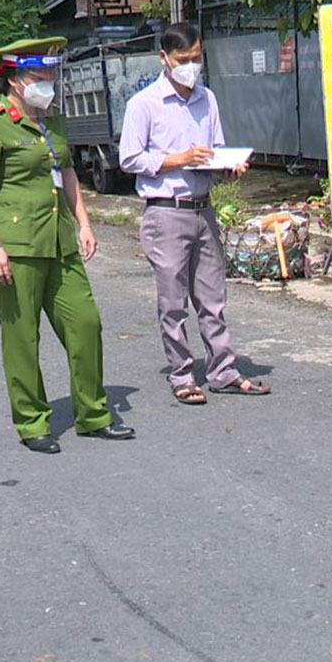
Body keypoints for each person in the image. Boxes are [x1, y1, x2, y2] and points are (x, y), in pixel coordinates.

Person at [0, 36, 134, 453]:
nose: (48, 84)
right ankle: (31, 421)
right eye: (39, 77)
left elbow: (69, 173)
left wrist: (84, 223)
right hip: (17, 246)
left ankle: (93, 414)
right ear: (15, 80)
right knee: (22, 337)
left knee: (85, 324)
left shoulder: (52, 120)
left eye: (50, 76)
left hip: (60, 243)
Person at [119, 22, 271, 405]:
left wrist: (227, 165)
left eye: (197, 58)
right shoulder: (144, 104)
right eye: (183, 60)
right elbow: (130, 159)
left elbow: (215, 150)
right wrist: (178, 160)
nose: (191, 66)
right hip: (166, 212)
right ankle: (183, 374)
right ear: (164, 59)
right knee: (173, 303)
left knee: (212, 298)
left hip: (203, 210)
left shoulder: (208, 99)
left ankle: (223, 370)